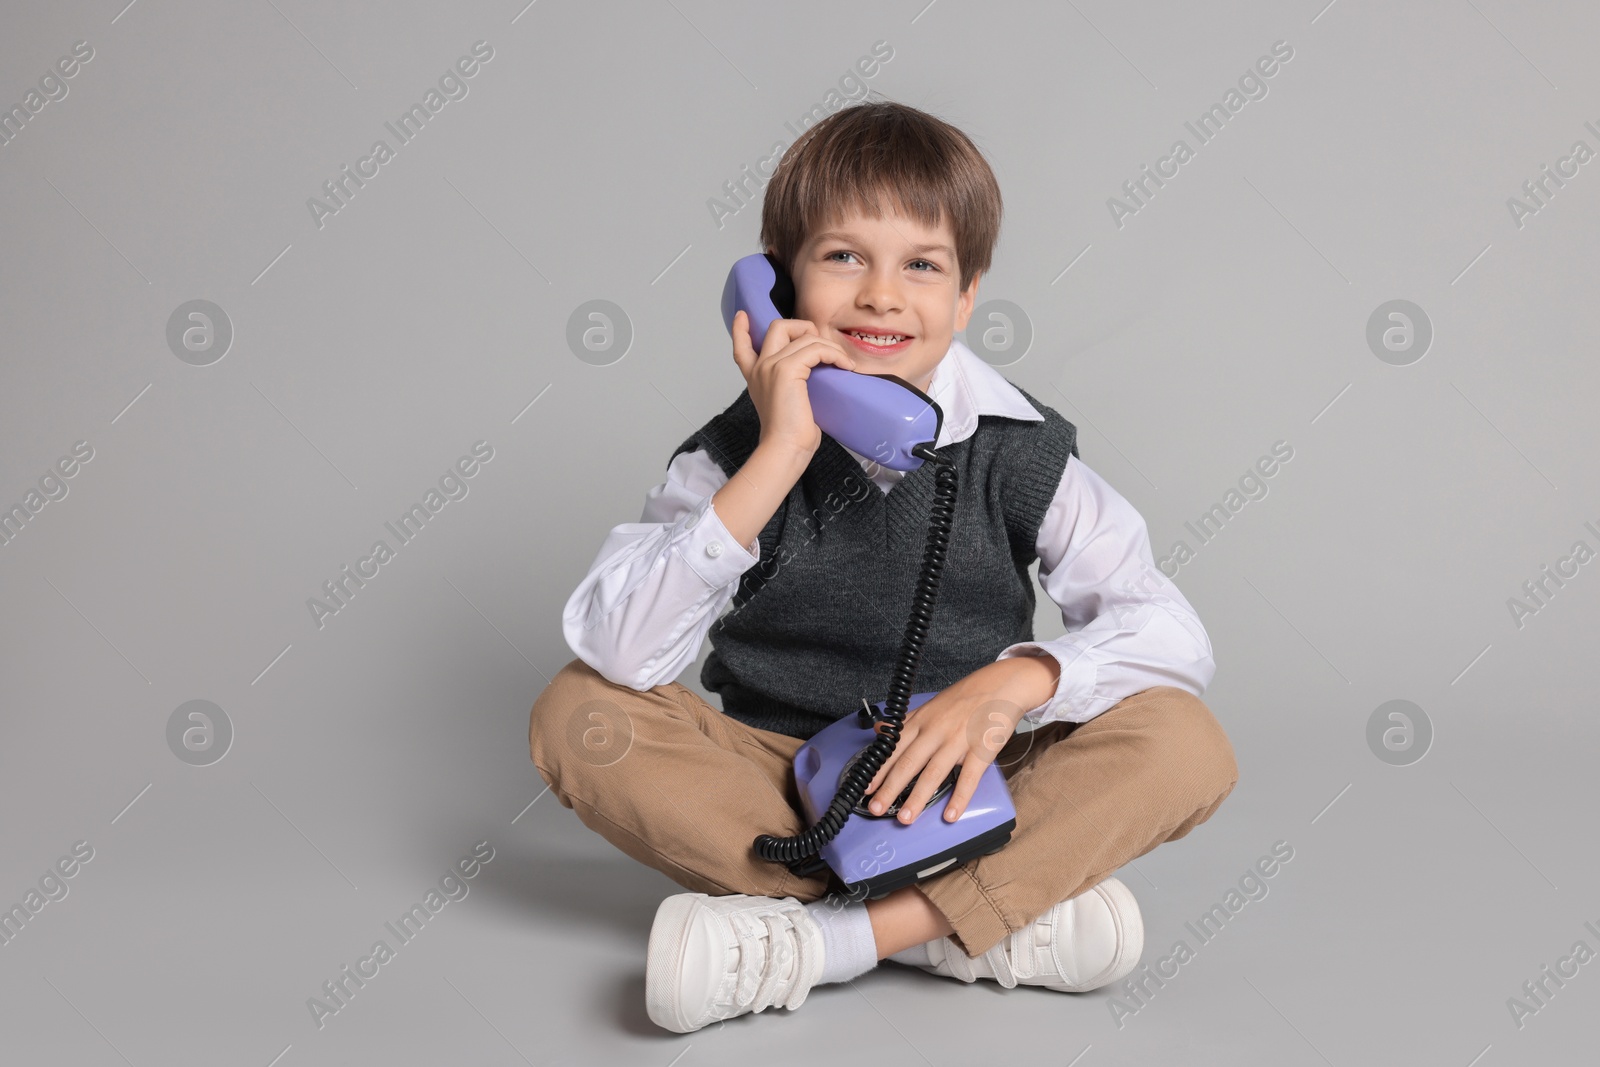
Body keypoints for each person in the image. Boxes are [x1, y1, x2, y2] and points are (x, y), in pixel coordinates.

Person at [530, 100, 1238, 1035]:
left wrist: (1013, 683)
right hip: (784, 782)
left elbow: (1174, 632)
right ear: (773, 286)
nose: (881, 296)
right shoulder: (730, 455)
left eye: (922, 265)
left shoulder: (1022, 451)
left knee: (1183, 739)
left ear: (967, 295)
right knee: (577, 716)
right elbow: (618, 648)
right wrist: (780, 451)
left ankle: (824, 940)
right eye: (843, 257)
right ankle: (977, 919)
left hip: (968, 774)